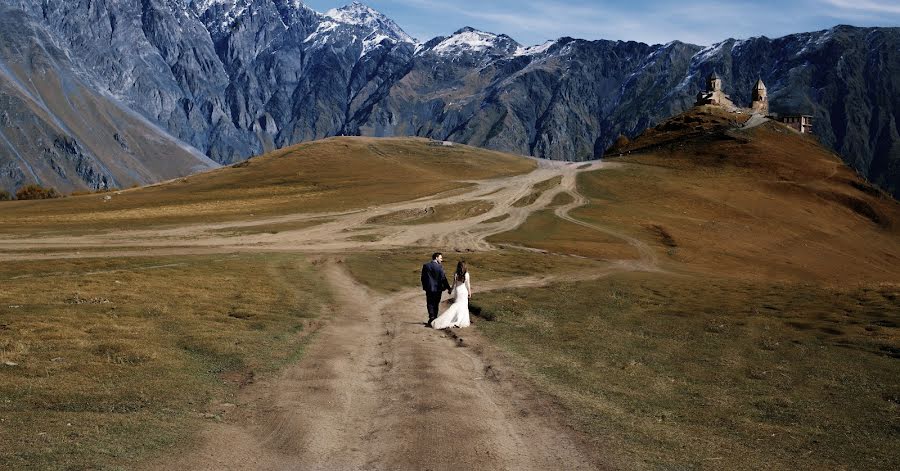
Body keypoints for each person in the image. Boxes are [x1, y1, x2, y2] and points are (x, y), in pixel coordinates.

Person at [431, 260, 472, 329]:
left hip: (458, 291)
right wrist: (469, 292)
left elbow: (454, 284)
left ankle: (455, 319)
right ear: (465, 266)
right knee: (463, 306)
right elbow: (468, 285)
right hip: (464, 291)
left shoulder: (456, 274)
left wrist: (450, 290)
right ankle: (459, 320)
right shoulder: (466, 274)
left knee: (457, 304)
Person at [421, 252, 451, 326]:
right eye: (441, 258)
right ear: (436, 258)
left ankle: (431, 317)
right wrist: (448, 287)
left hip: (429, 288)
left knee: (430, 303)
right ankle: (435, 318)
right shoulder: (439, 267)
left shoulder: (426, 265)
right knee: (436, 303)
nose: (441, 260)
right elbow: (443, 278)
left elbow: (422, 278)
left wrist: (425, 286)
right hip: (438, 289)